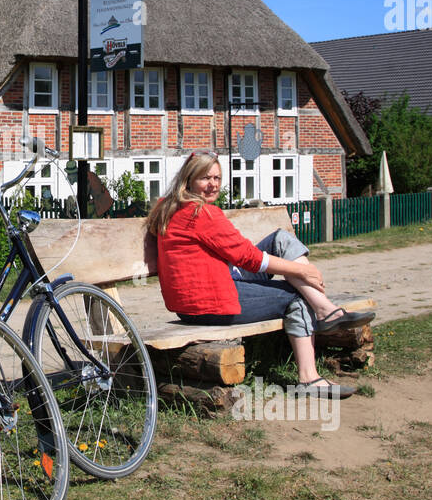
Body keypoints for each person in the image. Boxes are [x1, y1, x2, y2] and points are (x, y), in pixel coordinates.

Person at [145, 152, 372, 398]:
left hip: (195, 296)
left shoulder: (169, 206)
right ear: (189, 180)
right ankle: (310, 378)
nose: (213, 184)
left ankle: (325, 309)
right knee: (295, 297)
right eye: (205, 178)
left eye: (217, 178)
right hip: (209, 302)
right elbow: (249, 259)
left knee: (279, 240)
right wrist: (303, 270)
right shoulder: (201, 213)